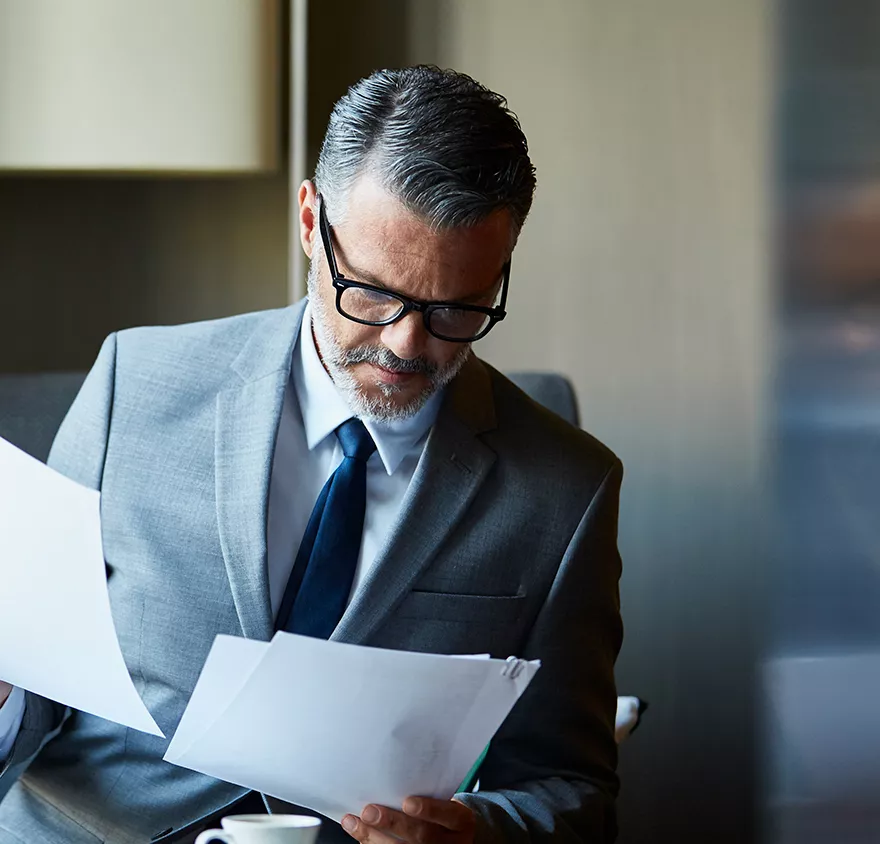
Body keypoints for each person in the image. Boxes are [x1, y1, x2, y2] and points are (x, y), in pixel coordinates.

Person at [0, 66, 623, 844]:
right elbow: (36, 685)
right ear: (308, 220)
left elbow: (572, 785)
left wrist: (481, 832)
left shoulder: (568, 489)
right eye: (371, 292)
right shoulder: (135, 383)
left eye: (456, 308)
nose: (407, 344)